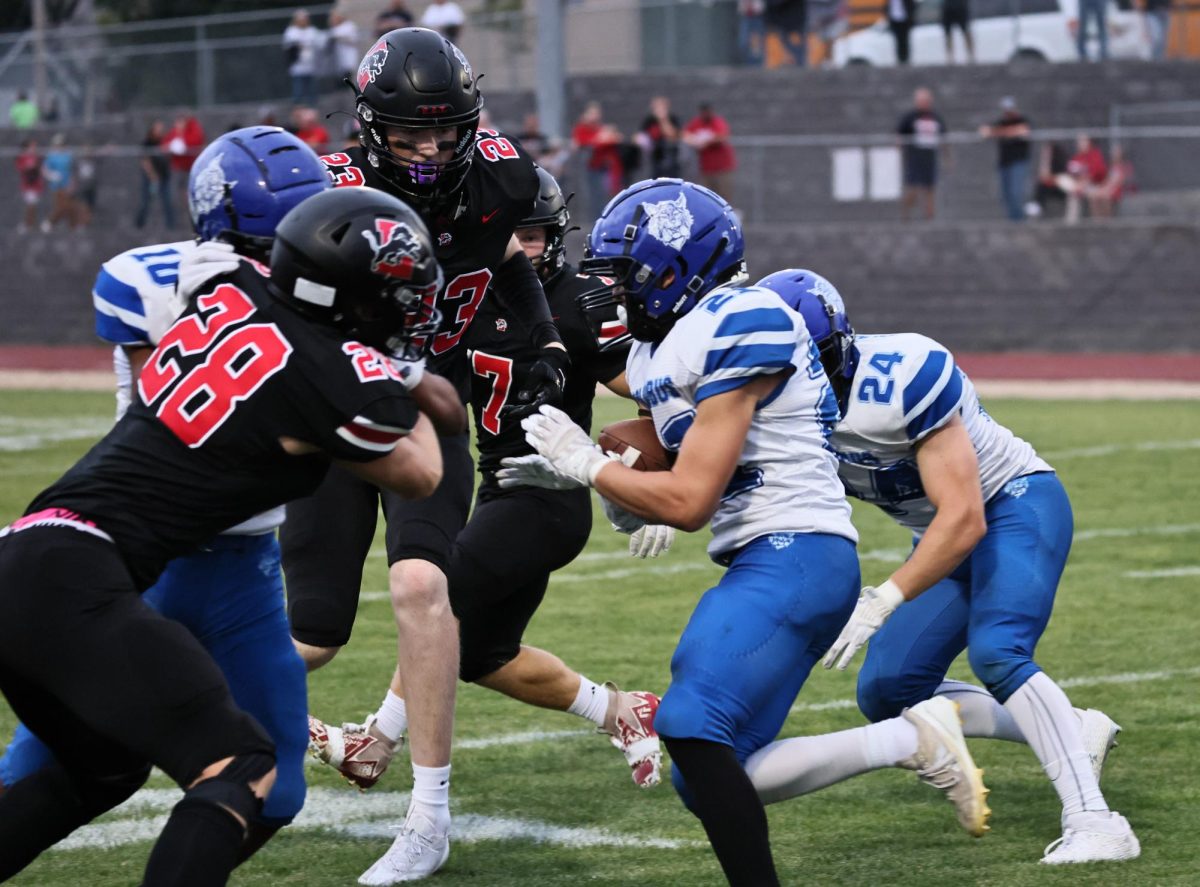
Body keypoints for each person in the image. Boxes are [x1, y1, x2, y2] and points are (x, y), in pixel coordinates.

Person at [499, 179, 991, 886]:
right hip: (763, 558)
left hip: (798, 551)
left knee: (691, 721)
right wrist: (597, 471)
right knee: (706, 776)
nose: (611, 292)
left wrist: (589, 466)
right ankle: (907, 737)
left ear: (677, 270)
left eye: (625, 274)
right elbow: (662, 461)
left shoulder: (740, 317)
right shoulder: (656, 350)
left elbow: (691, 498)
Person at [0, 183, 445, 886]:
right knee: (240, 763)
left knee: (102, 770)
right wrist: (393, 361)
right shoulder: (328, 373)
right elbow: (421, 470)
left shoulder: (227, 286)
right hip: (80, 576)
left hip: (29, 547)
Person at [0, 126, 335, 864]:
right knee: (51, 770)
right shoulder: (152, 282)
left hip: (245, 569)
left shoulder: (309, 299)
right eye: (274, 238)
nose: (291, 254)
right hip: (140, 560)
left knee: (274, 790)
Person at [288, 28, 568, 884]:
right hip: (340, 406)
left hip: (427, 402)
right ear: (373, 124)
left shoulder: (499, 175)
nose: (429, 150)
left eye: (443, 133)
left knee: (421, 582)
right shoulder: (327, 191)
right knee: (309, 634)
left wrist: (546, 341)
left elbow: (513, 263)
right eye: (410, 134)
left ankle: (429, 816)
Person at [315, 168, 668, 799]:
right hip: (497, 487)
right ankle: (620, 710)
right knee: (481, 655)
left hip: (550, 497)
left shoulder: (574, 302)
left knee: (438, 597)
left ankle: (377, 739)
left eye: (533, 235)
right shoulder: (464, 292)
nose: (523, 248)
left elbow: (651, 395)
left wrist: (652, 487)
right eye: (513, 235)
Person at [767, 267, 1140, 865]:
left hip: (1011, 505)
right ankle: (1071, 725)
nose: (785, 383)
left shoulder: (902, 375)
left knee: (998, 650)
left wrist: (883, 598)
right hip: (938, 534)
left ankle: (1098, 821)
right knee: (889, 689)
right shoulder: (775, 409)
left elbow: (966, 519)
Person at [897, 88, 947, 221]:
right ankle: (905, 215)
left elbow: (944, 138)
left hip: (929, 158)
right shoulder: (910, 117)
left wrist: (947, 157)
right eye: (921, 100)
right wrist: (899, 152)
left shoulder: (935, 117)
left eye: (926, 100)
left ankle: (929, 217)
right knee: (912, 189)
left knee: (930, 189)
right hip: (914, 158)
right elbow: (899, 135)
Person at [978, 97, 1031, 222]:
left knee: (1015, 192)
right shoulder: (1001, 122)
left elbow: (1021, 130)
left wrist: (996, 132)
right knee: (1005, 194)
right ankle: (1013, 219)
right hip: (1004, 163)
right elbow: (985, 131)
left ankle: (1019, 220)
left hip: (1018, 162)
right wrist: (993, 131)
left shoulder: (1022, 120)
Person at [571, 101, 622, 222]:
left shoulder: (601, 128)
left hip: (603, 166)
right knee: (593, 194)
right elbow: (580, 143)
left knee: (604, 193)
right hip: (590, 167)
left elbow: (613, 140)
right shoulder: (582, 128)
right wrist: (599, 139)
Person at [683, 103, 737, 203]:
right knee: (705, 197)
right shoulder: (697, 122)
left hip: (722, 169)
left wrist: (706, 142)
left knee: (724, 197)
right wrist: (694, 141)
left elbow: (722, 136)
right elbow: (686, 135)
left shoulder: (717, 122)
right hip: (705, 169)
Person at [1056, 134, 1107, 224]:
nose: (1080, 143)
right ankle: (1071, 224)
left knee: (1091, 193)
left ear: (1089, 142)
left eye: (1083, 141)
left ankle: (1099, 223)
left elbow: (1095, 174)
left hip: (1092, 185)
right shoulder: (1077, 157)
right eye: (1079, 141)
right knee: (1064, 182)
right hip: (1078, 186)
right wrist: (1078, 184)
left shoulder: (1095, 154)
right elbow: (1070, 173)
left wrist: (1082, 184)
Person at [136, 120, 175, 229]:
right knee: (145, 202)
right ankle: (139, 224)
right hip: (150, 177)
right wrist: (152, 175)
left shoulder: (165, 141)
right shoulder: (147, 142)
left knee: (167, 201)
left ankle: (171, 226)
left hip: (164, 176)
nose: (159, 132)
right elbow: (145, 161)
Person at [283, 9, 326, 108]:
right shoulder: (291, 31)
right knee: (298, 89)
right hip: (298, 66)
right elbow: (289, 45)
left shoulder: (312, 31)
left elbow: (321, 41)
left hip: (311, 65)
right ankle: (297, 108)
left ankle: (312, 107)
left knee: (312, 89)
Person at [637, 95, 682, 179]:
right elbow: (640, 135)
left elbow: (672, 135)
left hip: (671, 157)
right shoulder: (649, 120)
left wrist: (663, 120)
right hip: (655, 157)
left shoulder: (672, 118)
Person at [1089, 144, 1135, 217]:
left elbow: (1119, 182)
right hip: (1108, 188)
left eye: (1117, 153)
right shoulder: (1111, 166)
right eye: (1114, 153)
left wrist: (1105, 190)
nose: (1114, 155)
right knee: (1094, 196)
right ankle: (1098, 220)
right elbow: (1107, 180)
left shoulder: (1124, 167)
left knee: (1105, 197)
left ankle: (1108, 220)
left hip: (1118, 190)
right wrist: (1100, 188)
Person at [41, 133, 75, 231]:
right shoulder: (51, 155)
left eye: (61, 144)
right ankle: (50, 221)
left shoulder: (68, 155)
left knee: (66, 205)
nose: (59, 146)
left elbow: (71, 169)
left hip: (67, 184)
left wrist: (72, 182)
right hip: (56, 185)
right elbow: (44, 170)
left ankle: (67, 224)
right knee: (61, 206)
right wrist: (52, 175)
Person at [14, 138, 43, 233]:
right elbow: (21, 167)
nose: (34, 148)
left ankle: (31, 224)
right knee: (30, 204)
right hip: (28, 185)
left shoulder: (37, 156)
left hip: (36, 184)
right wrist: (29, 166)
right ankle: (28, 224)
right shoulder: (23, 157)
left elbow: (40, 167)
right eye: (32, 146)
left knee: (33, 205)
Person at [327, 9, 361, 86]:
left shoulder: (349, 26)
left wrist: (341, 38)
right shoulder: (334, 29)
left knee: (349, 75)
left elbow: (354, 39)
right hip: (338, 58)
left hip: (349, 54)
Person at [738, 0, 767, 65]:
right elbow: (741, 9)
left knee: (760, 43)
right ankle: (749, 64)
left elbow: (761, 8)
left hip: (758, 17)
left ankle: (760, 64)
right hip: (746, 17)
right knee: (744, 42)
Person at [888, 0, 916, 64]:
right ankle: (900, 59)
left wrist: (911, 16)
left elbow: (912, 6)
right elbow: (888, 8)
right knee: (898, 41)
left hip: (905, 21)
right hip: (895, 21)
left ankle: (906, 59)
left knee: (905, 40)